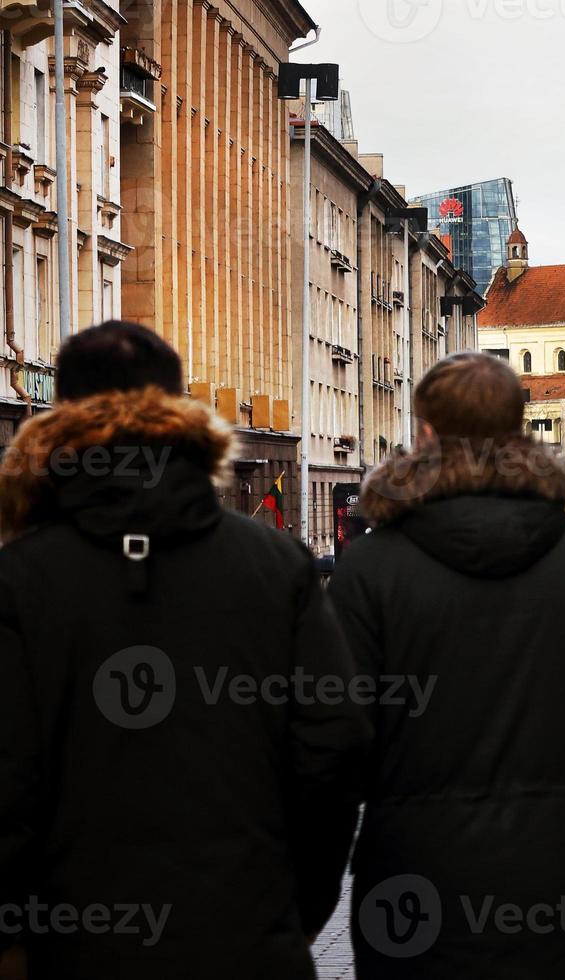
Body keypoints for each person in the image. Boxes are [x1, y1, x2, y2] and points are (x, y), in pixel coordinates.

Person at [0, 322, 369, 980]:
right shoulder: (275, 565)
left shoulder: (21, 579)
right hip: (247, 940)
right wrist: (296, 908)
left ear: (61, 418)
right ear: (179, 412)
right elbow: (331, 752)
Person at [328, 352, 565, 980]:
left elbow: (332, 742)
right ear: (518, 430)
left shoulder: (373, 569)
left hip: (411, 880)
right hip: (558, 876)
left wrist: (315, 884)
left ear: (425, 432)